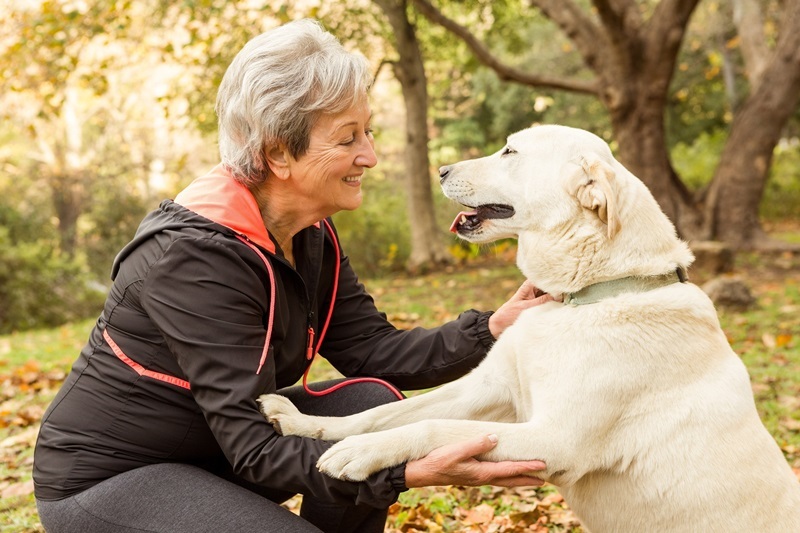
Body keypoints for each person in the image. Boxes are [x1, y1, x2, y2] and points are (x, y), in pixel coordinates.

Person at [33, 19, 551, 533]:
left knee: (369, 402)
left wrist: (494, 328)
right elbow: (255, 449)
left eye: (367, 132)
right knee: (367, 451)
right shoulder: (191, 259)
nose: (368, 156)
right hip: (113, 480)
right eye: (349, 138)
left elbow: (371, 351)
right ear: (278, 152)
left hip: (220, 453)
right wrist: (405, 469)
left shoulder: (308, 231)